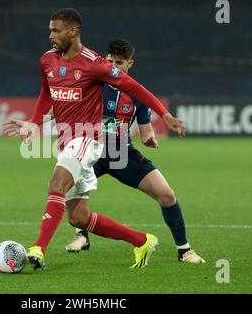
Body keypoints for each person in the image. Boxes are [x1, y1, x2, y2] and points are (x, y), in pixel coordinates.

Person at [4, 8, 186, 271]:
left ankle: (38, 249)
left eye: (55, 30)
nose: (50, 35)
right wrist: (34, 121)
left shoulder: (94, 64)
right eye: (49, 30)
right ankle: (141, 240)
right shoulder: (47, 61)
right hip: (67, 141)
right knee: (78, 218)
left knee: (56, 184)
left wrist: (165, 115)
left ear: (73, 31)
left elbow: (135, 88)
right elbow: (47, 93)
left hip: (88, 140)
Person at [64, 39, 205, 263]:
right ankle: (82, 234)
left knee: (167, 195)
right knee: (66, 188)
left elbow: (146, 130)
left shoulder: (137, 94)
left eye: (119, 63)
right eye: (109, 61)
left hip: (122, 153)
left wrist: (150, 138)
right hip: (92, 151)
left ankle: (184, 250)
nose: (113, 67)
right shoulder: (92, 85)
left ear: (130, 63)